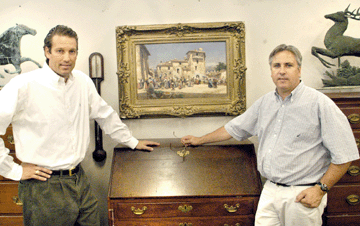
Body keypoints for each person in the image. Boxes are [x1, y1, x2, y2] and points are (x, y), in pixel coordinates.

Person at [181, 44, 360, 226]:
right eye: (277, 66)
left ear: (299, 70)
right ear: (271, 71)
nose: (282, 71)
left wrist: (321, 190)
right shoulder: (265, 103)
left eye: (288, 65)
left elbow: (345, 154)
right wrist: (200, 139)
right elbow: (233, 128)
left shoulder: (320, 104)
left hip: (302, 195)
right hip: (269, 190)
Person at [0, 25, 160, 226]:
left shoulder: (82, 82)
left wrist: (132, 142)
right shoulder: (23, 85)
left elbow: (105, 114)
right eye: (60, 51)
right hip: (43, 186)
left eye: (72, 51)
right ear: (47, 52)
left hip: (78, 178)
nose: (67, 58)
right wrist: (14, 171)